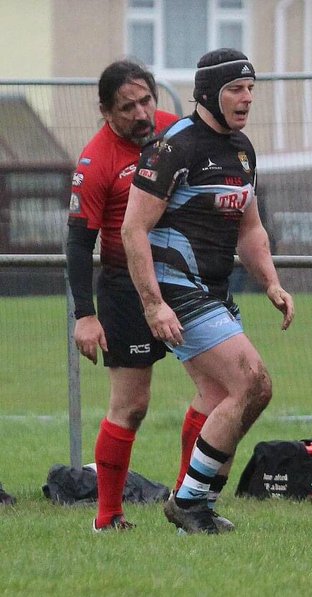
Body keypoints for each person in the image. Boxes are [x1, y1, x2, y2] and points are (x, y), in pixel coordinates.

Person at [122, 48, 295, 535]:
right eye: (235, 90)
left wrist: (272, 283)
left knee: (220, 396)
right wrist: (154, 305)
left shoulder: (242, 149)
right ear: (207, 94)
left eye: (251, 89)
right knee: (254, 385)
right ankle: (190, 501)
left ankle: (198, 507)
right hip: (178, 290)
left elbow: (251, 228)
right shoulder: (174, 147)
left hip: (214, 290)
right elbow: (132, 230)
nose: (246, 99)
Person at [66, 60, 216, 532]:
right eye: (127, 107)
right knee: (131, 405)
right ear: (106, 111)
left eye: (146, 100)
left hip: (183, 282)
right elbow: (76, 243)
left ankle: (185, 502)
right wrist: (85, 316)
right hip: (124, 290)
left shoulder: (177, 133)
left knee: (216, 391)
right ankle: (108, 516)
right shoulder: (96, 162)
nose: (141, 113)